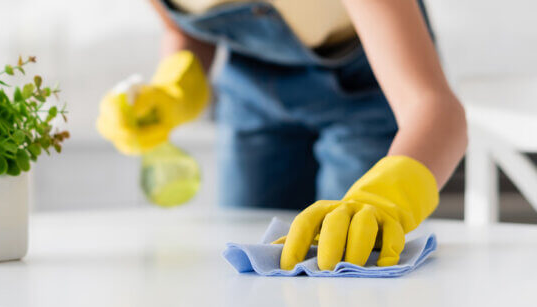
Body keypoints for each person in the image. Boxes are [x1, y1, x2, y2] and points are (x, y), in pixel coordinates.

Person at [98, 0, 467, 270]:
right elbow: (183, 25)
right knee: (250, 270)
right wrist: (174, 84)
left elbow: (434, 107)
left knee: (355, 260)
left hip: (368, 95)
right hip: (252, 95)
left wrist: (388, 195)